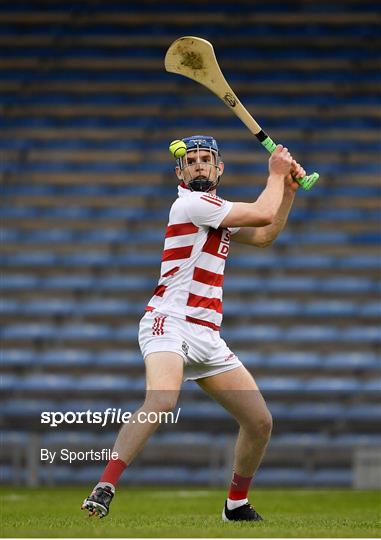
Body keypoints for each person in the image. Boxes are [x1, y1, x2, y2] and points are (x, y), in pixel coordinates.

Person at [82, 135, 305, 521]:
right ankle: (104, 487)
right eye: (192, 161)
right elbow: (261, 214)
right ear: (180, 171)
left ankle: (235, 505)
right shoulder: (191, 204)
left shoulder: (216, 210)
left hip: (206, 335)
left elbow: (267, 234)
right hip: (167, 322)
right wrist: (276, 172)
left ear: (219, 169)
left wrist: (286, 191)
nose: (199, 165)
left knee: (259, 422)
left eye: (207, 160)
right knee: (163, 399)